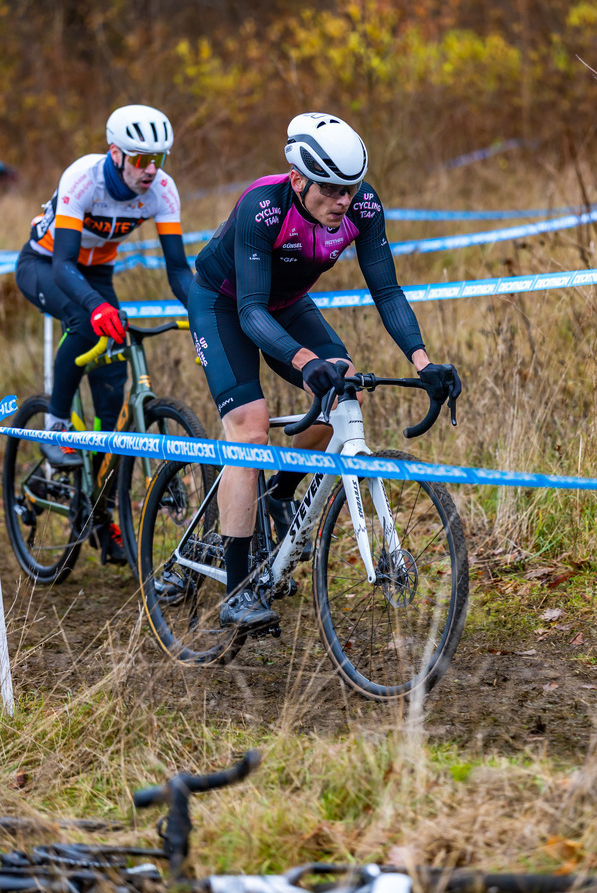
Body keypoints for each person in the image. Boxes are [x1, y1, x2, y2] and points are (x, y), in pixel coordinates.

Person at [187, 111, 461, 631]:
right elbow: (249, 311)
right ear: (297, 179)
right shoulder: (261, 206)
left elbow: (387, 290)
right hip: (225, 304)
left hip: (286, 304)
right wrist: (306, 362)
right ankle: (239, 590)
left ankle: (280, 494)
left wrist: (425, 363)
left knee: (345, 385)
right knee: (250, 425)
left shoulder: (363, 206)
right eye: (332, 190)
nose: (344, 201)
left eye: (351, 189)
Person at [15, 104, 193, 564]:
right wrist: (96, 308)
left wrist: (203, 311)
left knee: (112, 405)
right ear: (115, 154)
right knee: (82, 321)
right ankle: (53, 428)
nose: (150, 170)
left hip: (98, 273)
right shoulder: (83, 179)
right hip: (47, 265)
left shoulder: (162, 191)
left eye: (159, 159)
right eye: (140, 159)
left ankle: (96, 515)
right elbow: (63, 263)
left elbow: (177, 270)